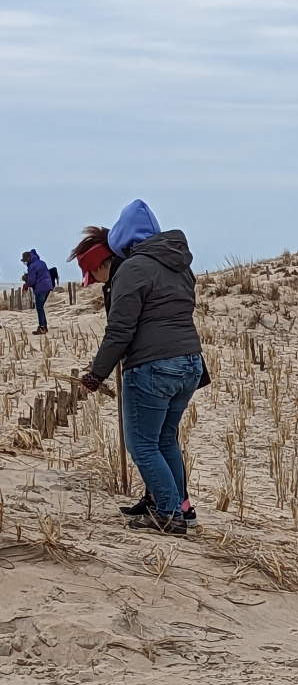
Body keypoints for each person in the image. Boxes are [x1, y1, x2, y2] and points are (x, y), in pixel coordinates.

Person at [76, 200, 204, 535]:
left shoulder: (133, 269)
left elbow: (120, 330)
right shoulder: (179, 264)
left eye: (96, 274)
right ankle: (180, 506)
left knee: (143, 444)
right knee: (164, 438)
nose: (98, 281)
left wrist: (96, 373)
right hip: (190, 363)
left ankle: (168, 513)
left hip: (154, 366)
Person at [21, 249, 54, 334]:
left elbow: (32, 281)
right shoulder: (41, 262)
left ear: (29, 258)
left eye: (25, 261)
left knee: (39, 307)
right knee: (41, 307)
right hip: (48, 286)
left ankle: (42, 327)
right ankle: (44, 326)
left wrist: (26, 281)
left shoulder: (32, 266)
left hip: (40, 288)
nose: (25, 263)